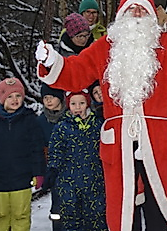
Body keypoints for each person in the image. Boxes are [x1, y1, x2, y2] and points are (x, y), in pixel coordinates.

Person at [35, 0, 167, 231]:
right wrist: (52, 61)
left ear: (152, 15)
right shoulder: (104, 47)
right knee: (123, 210)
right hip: (118, 143)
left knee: (159, 207)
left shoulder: (166, 45)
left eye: (143, 9)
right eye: (132, 9)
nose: (137, 14)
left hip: (157, 141)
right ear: (121, 15)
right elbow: (74, 73)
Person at [0, 78, 45, 231]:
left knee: (21, 215)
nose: (14, 100)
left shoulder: (30, 120)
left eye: (18, 96)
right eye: (10, 96)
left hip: (23, 178)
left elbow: (36, 149)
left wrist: (38, 173)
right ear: (2, 99)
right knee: (1, 215)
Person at [48, 90, 106, 231]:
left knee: (96, 218)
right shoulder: (62, 127)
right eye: (73, 104)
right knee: (71, 220)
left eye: (81, 103)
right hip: (69, 183)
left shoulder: (97, 125)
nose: (78, 107)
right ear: (68, 105)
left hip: (94, 181)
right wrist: (53, 170)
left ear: (87, 104)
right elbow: (55, 151)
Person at [37, 84, 66, 230]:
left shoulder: (70, 115)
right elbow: (38, 147)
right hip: (54, 170)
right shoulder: (41, 121)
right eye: (45, 98)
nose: (48, 101)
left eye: (52, 97)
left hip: (73, 168)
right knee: (58, 207)